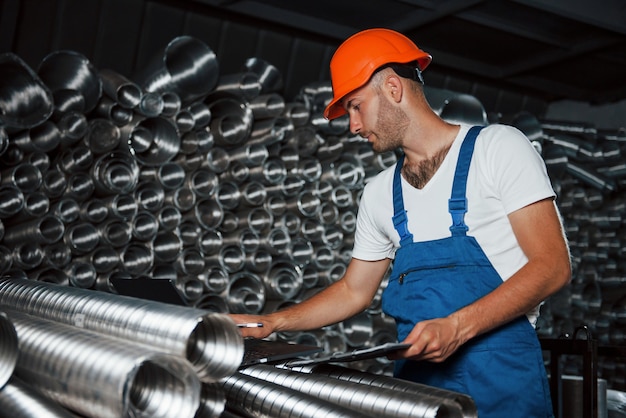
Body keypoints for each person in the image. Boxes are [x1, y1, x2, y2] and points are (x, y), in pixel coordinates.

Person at [231, 28, 571, 418]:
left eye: (356, 106)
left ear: (393, 87)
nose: (353, 126)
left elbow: (552, 266)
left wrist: (456, 327)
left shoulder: (498, 149)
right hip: (416, 391)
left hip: (503, 386)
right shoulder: (378, 193)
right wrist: (274, 322)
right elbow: (353, 291)